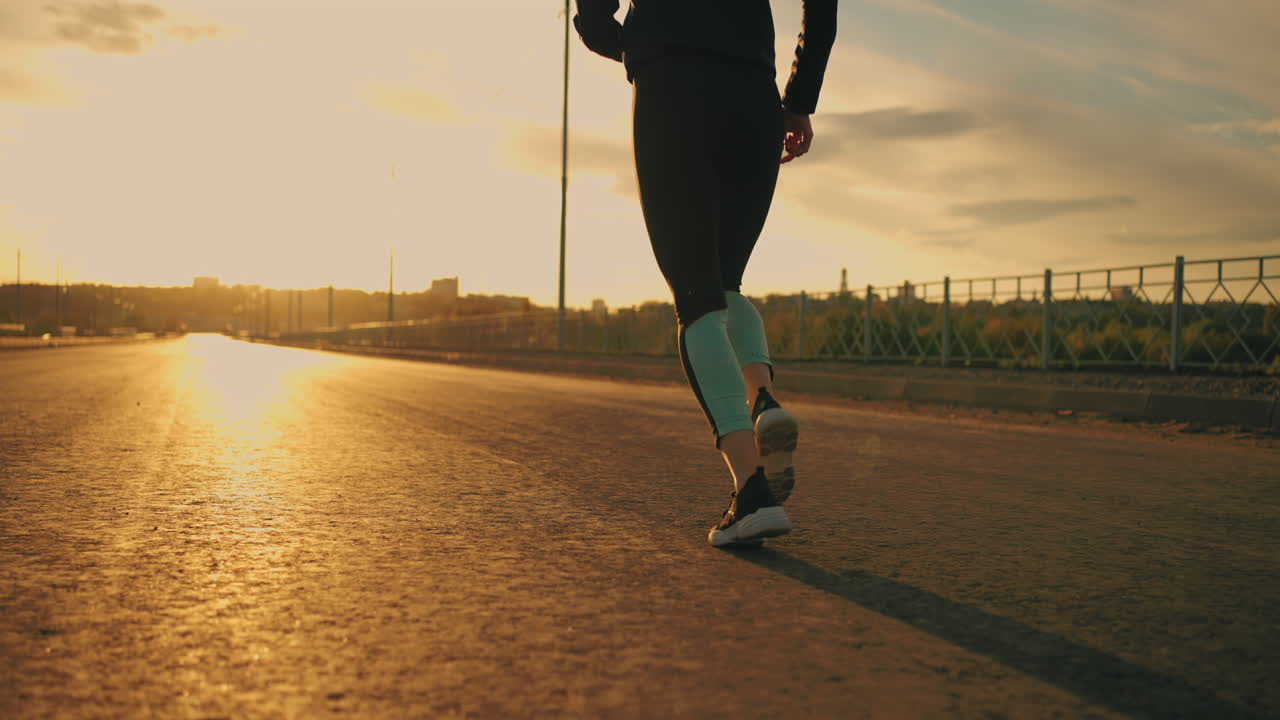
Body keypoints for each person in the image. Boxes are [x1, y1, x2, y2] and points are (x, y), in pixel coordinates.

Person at [574, 0, 837, 546]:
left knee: (696, 297)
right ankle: (762, 398)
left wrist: (640, 40)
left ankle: (752, 492)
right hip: (752, 93)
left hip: (673, 86)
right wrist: (800, 99)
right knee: (724, 282)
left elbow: (596, 19)